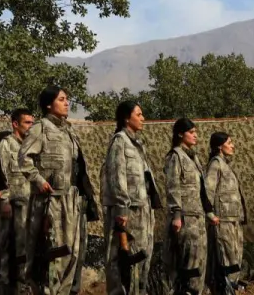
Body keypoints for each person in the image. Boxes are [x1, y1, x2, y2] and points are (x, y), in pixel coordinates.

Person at [20, 85, 93, 295]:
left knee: (71, 255)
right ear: (49, 105)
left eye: (66, 99)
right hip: (49, 202)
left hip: (70, 201)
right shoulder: (40, 128)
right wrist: (39, 180)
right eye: (61, 99)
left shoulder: (68, 130)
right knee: (52, 256)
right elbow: (24, 159)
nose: (66, 103)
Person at [102, 101, 155, 295]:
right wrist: (121, 210)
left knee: (141, 264)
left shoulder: (137, 145)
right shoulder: (120, 141)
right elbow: (116, 176)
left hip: (142, 212)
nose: (143, 119)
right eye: (139, 114)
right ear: (126, 118)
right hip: (127, 215)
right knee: (125, 266)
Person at [163, 118, 209, 295]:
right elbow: (172, 185)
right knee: (187, 264)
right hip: (185, 218)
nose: (195, 135)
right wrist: (176, 214)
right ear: (181, 134)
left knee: (199, 263)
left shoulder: (193, 157)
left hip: (197, 216)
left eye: (196, 131)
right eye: (191, 132)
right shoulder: (176, 156)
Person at [0, 109, 34, 295]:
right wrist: (4, 199)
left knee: (25, 251)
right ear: (15, 124)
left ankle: (21, 288)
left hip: (28, 208)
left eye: (32, 123)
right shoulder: (7, 144)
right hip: (10, 206)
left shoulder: (31, 147)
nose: (30, 127)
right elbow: (1, 174)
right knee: (5, 250)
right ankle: (2, 288)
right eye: (27, 123)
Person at [205, 133, 245, 295]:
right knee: (227, 262)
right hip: (223, 222)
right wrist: (210, 214)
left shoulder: (226, 165)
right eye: (230, 142)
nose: (233, 145)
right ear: (220, 146)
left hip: (234, 221)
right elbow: (208, 190)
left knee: (235, 261)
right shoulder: (216, 164)